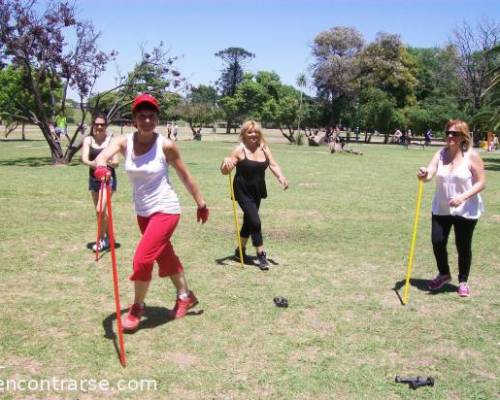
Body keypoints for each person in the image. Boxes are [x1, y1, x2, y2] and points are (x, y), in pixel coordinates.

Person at [94, 93, 209, 332]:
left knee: (142, 259)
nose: (147, 120)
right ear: (134, 119)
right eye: (142, 116)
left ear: (157, 118)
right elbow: (103, 156)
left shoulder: (166, 145)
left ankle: (137, 308)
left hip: (166, 209)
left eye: (151, 116)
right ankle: (185, 296)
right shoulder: (125, 142)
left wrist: (201, 203)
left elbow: (185, 176)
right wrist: (102, 167)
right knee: (165, 256)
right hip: (143, 212)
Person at [417, 119, 485, 297]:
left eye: (454, 133)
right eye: (448, 132)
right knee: (437, 241)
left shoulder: (471, 156)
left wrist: (463, 197)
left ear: (463, 136)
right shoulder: (440, 154)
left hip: (466, 209)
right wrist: (425, 173)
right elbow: (430, 173)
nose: (449, 136)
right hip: (442, 207)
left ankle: (463, 281)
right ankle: (444, 274)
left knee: (463, 246)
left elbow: (481, 183)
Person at [220, 120, 288, 270]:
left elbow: (273, 164)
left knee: (249, 222)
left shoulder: (264, 148)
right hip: (242, 190)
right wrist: (224, 161)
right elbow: (225, 171)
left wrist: (280, 177)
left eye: (256, 132)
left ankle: (240, 251)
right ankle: (261, 254)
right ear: (244, 134)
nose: (253, 135)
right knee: (255, 222)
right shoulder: (239, 150)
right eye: (250, 132)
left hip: (257, 189)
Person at [81, 114, 119, 252]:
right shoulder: (88, 140)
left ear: (106, 126)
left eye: (102, 124)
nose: (99, 127)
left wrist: (105, 165)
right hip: (93, 178)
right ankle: (110, 238)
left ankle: (101, 240)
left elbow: (116, 162)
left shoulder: (111, 140)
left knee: (100, 209)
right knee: (100, 213)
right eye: (97, 124)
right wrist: (98, 166)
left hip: (108, 179)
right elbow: (84, 159)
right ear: (93, 125)